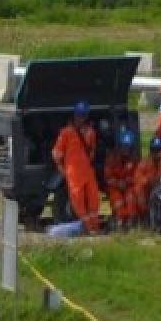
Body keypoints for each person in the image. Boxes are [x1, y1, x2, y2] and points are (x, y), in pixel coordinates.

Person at [51, 100, 101, 234]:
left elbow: (92, 151)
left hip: (87, 171)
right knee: (78, 201)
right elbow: (56, 153)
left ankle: (94, 226)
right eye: (79, 115)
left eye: (83, 115)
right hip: (73, 172)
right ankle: (87, 227)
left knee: (94, 198)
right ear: (75, 115)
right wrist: (63, 170)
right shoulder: (66, 133)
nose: (81, 118)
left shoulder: (90, 132)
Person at [131, 135, 161, 226]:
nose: (157, 153)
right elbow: (137, 181)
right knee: (136, 195)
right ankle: (142, 219)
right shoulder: (143, 164)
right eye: (154, 150)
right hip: (146, 195)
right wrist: (149, 180)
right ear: (151, 151)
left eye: (159, 150)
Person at [103, 128, 139, 230]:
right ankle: (120, 221)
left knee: (131, 197)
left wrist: (127, 182)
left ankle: (132, 221)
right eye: (124, 146)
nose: (126, 150)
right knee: (118, 200)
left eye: (128, 147)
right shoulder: (111, 158)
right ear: (119, 146)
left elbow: (137, 176)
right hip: (114, 187)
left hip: (128, 186)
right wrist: (118, 183)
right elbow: (108, 178)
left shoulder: (134, 159)